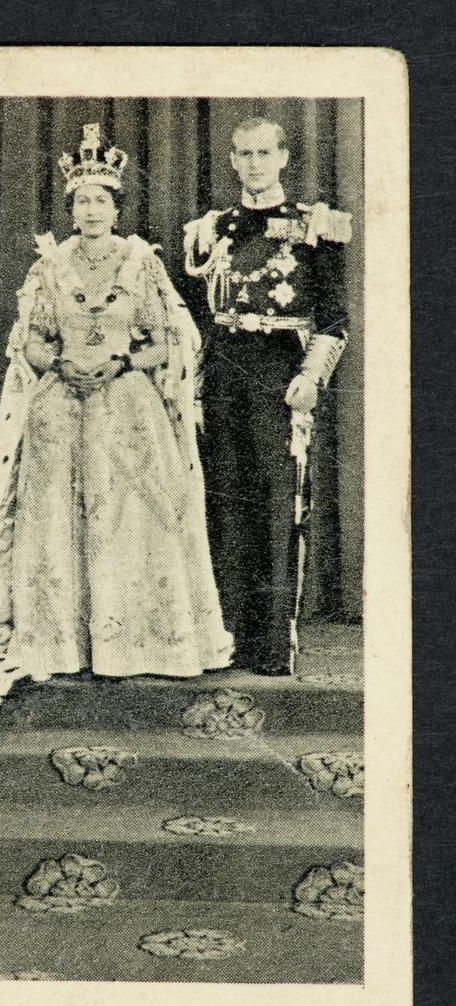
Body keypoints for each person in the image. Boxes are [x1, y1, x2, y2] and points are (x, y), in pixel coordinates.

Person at [0, 123, 232, 681]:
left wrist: (120, 363)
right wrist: (57, 364)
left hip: (127, 405)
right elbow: (30, 339)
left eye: (101, 201)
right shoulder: (49, 265)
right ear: (72, 211)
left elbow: (163, 343)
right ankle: (63, 646)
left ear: (115, 208)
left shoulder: (141, 262)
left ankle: (137, 645)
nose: (91, 210)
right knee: (56, 519)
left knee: (131, 517)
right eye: (82, 201)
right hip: (60, 405)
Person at [183, 116, 352, 675]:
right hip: (223, 373)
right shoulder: (212, 229)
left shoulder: (315, 226)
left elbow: (335, 319)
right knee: (223, 502)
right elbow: (198, 320)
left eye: (264, 153)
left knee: (277, 507)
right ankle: (224, 637)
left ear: (283, 158)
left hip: (280, 373)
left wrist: (312, 377)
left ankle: (272, 645)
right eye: (244, 154)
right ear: (233, 161)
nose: (254, 164)